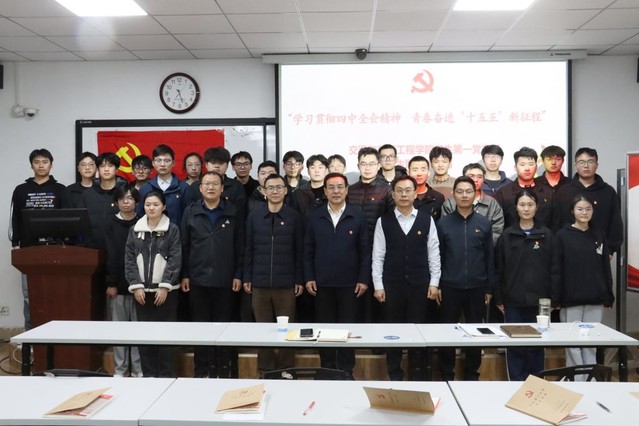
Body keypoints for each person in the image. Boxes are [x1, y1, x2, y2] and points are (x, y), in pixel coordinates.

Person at [372, 175, 441, 381]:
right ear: (393, 194)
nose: (404, 194)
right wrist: (378, 284)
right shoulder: (383, 221)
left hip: (420, 285)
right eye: (399, 191)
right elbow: (378, 255)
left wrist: (434, 282)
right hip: (391, 286)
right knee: (393, 334)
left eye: (408, 190)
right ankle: (395, 376)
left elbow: (434, 253)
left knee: (417, 333)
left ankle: (416, 377)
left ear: (415, 193)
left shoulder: (426, 220)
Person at [304, 173, 371, 379]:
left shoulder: (357, 216)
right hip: (321, 283)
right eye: (331, 187)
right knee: (324, 328)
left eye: (340, 187)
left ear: (347, 190)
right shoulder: (314, 216)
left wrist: (363, 279)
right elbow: (308, 249)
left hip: (350, 284)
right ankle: (327, 369)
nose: (336, 191)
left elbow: (365, 251)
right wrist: (309, 276)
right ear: (324, 191)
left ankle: (346, 370)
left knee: (347, 328)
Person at [180, 171, 244, 378]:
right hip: (197, 279)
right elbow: (184, 245)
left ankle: (223, 370)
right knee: (201, 328)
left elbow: (240, 246)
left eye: (215, 184)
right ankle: (202, 371)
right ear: (200, 188)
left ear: (222, 188)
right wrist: (185, 274)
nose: (210, 187)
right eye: (206, 184)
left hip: (226, 280)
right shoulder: (191, 212)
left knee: (224, 327)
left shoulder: (233, 212)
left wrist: (238, 274)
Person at [494, 190, 558, 381]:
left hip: (539, 302)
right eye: (522, 205)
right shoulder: (507, 235)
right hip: (512, 300)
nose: (526, 209)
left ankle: (535, 384)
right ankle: (516, 384)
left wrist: (553, 298)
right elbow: (498, 269)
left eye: (530, 205)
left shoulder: (546, 235)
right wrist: (499, 298)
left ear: (537, 207)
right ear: (516, 208)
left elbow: (554, 268)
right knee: (516, 345)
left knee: (536, 345)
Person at [244, 173, 304, 374]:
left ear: (286, 191)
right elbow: (248, 248)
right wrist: (247, 276)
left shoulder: (294, 217)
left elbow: (299, 251)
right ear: (263, 191)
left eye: (279, 187)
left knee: (287, 330)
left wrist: (299, 279)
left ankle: (287, 369)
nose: (275, 191)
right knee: (263, 329)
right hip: (259, 283)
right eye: (270, 187)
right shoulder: (254, 216)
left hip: (286, 283)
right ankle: (266, 370)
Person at [437, 176, 494, 381]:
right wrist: (438, 284)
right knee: (447, 333)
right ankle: (446, 374)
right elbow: (438, 257)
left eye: (468, 191)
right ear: (453, 194)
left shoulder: (484, 223)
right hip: (449, 286)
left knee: (474, 332)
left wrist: (489, 288)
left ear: (475, 194)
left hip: (477, 287)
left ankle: (472, 375)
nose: (464, 195)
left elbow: (489, 257)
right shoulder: (443, 223)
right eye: (460, 191)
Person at [554, 195, 614, 375]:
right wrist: (556, 296)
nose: (584, 212)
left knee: (591, 341)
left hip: (595, 296)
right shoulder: (562, 235)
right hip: (570, 297)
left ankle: (590, 378)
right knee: (572, 342)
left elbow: (605, 266)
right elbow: (556, 268)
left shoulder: (598, 234)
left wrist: (608, 293)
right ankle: (577, 379)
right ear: (572, 211)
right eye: (580, 209)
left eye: (588, 209)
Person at [125, 190, 181, 378]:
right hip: (142, 293)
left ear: (163, 206)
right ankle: (148, 375)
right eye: (148, 204)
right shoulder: (135, 230)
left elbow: (175, 259)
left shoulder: (172, 229)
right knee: (145, 337)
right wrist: (136, 286)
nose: (151, 208)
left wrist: (165, 286)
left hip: (166, 293)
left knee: (166, 336)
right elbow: (129, 259)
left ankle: (166, 376)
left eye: (156, 204)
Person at [11, 148, 68, 330]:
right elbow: (14, 218)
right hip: (28, 248)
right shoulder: (21, 190)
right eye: (37, 162)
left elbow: (68, 219)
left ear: (51, 165)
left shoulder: (60, 190)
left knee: (56, 293)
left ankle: (55, 333)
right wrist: (15, 244)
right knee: (30, 295)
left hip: (55, 248)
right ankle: (29, 336)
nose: (41, 166)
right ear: (31, 165)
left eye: (45, 162)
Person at [553, 148, 623, 255]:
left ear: (597, 165)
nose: (586, 166)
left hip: (599, 251)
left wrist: (610, 250)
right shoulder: (564, 191)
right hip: (568, 250)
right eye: (581, 162)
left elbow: (615, 223)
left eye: (590, 161)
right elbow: (556, 222)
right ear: (576, 165)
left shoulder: (608, 192)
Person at [104, 184, 142, 377]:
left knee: (138, 331)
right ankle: (120, 370)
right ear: (116, 202)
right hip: (117, 285)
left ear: (136, 201)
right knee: (119, 329)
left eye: (130, 198)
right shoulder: (111, 223)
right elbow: (110, 254)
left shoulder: (143, 222)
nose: (126, 202)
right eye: (122, 199)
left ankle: (138, 370)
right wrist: (111, 283)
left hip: (140, 286)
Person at [442, 163, 504, 244]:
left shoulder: (492, 204)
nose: (475, 180)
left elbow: (497, 232)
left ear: (483, 180)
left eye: (479, 177)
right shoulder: (450, 203)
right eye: (471, 176)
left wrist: (478, 245)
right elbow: (446, 229)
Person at [495, 146, 554, 229]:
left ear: (536, 167)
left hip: (543, 236)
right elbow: (498, 224)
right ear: (515, 168)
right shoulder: (504, 193)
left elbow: (555, 222)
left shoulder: (548, 192)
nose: (527, 168)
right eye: (522, 165)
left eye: (531, 164)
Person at [138, 144, 189, 225]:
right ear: (153, 163)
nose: (162, 164)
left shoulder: (183, 187)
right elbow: (140, 215)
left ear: (173, 163)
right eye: (158, 160)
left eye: (167, 160)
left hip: (177, 232)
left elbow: (188, 217)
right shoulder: (145, 188)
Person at [185, 147, 246, 213]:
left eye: (221, 163)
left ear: (227, 165)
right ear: (206, 165)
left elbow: (240, 213)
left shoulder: (236, 186)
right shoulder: (195, 187)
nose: (217, 166)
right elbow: (189, 213)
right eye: (213, 162)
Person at [81, 152, 122, 249]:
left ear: (116, 169)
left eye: (110, 166)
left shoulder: (124, 193)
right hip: (92, 248)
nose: (106, 169)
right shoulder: (87, 194)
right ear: (98, 169)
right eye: (102, 166)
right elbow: (82, 222)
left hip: (119, 247)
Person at [408, 155, 445, 221]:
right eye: (415, 170)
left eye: (423, 170)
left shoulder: (438, 197)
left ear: (428, 173)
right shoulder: (403, 196)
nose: (419, 173)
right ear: (408, 173)